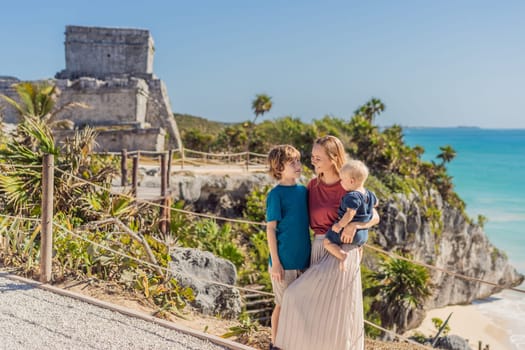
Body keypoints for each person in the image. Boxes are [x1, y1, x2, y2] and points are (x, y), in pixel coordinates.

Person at [274, 135, 379, 350]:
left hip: (342, 252)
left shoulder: (348, 185)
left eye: (317, 157)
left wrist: (354, 226)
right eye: (311, 156)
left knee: (332, 309)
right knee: (313, 309)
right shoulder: (312, 186)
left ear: (333, 158)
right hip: (319, 248)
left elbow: (374, 216)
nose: (312, 160)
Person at [265, 145, 311, 350]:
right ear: (279, 167)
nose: (298, 165)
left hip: (304, 260)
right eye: (292, 162)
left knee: (299, 306)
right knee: (283, 305)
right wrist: (276, 262)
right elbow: (271, 229)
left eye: (299, 161)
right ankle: (275, 344)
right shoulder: (276, 195)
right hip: (283, 262)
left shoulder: (304, 191)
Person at [324, 159, 378, 270]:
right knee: (359, 247)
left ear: (352, 181)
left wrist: (339, 225)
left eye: (343, 180)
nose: (341, 182)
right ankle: (357, 264)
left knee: (327, 242)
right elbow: (376, 203)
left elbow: (350, 213)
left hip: (349, 233)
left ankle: (342, 256)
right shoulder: (370, 194)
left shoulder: (352, 196)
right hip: (363, 234)